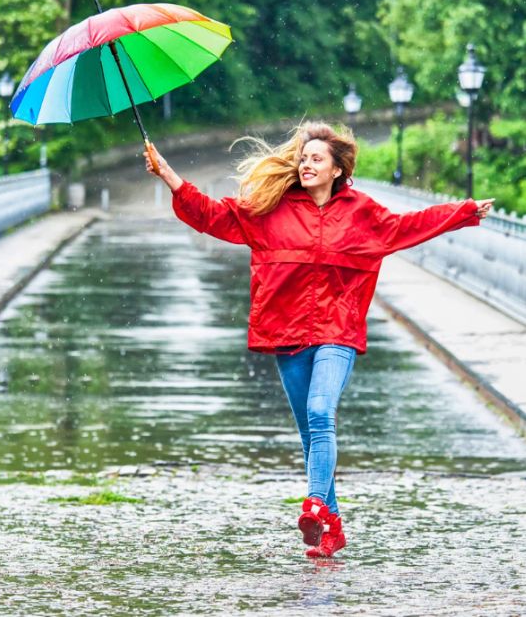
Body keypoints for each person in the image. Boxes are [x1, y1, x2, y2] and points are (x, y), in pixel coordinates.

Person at [143, 121, 494, 558]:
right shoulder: (270, 210)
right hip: (287, 333)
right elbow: (214, 216)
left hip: (337, 331)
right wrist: (168, 175)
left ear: (337, 170)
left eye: (315, 159)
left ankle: (313, 504)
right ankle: (332, 526)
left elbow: (408, 225)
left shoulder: (361, 213)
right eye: (303, 158)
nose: (306, 165)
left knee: (320, 411)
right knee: (312, 435)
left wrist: (462, 212)